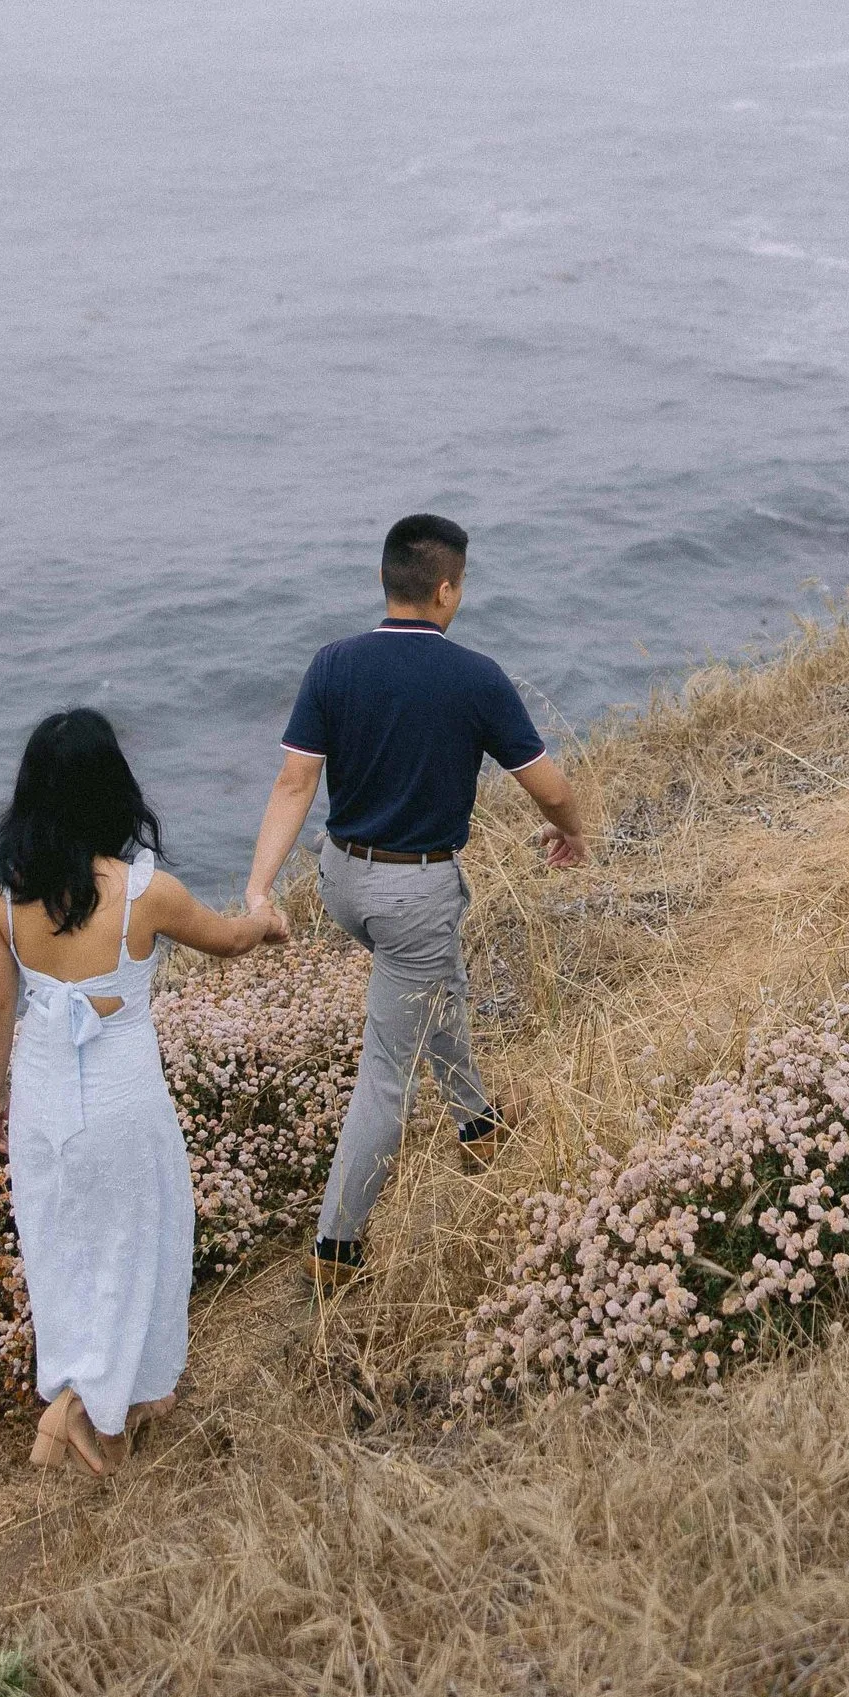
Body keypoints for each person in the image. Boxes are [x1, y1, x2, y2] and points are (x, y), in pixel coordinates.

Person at [244, 511, 586, 1274]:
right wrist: (573, 829)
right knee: (385, 1075)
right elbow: (550, 787)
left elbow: (295, 780)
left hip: (341, 879)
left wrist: (260, 886)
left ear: (383, 581)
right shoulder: (475, 677)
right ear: (447, 590)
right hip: (414, 894)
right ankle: (337, 1247)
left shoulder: (332, 664)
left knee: (437, 984)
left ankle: (478, 1126)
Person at [0, 706, 287, 1476]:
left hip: (45, 1099)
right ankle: (80, 1409)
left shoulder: (1, 898)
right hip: (120, 1098)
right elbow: (229, 942)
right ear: (110, 790)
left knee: (64, 1247)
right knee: (139, 1238)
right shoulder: (145, 893)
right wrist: (264, 917)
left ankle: (123, 1398)